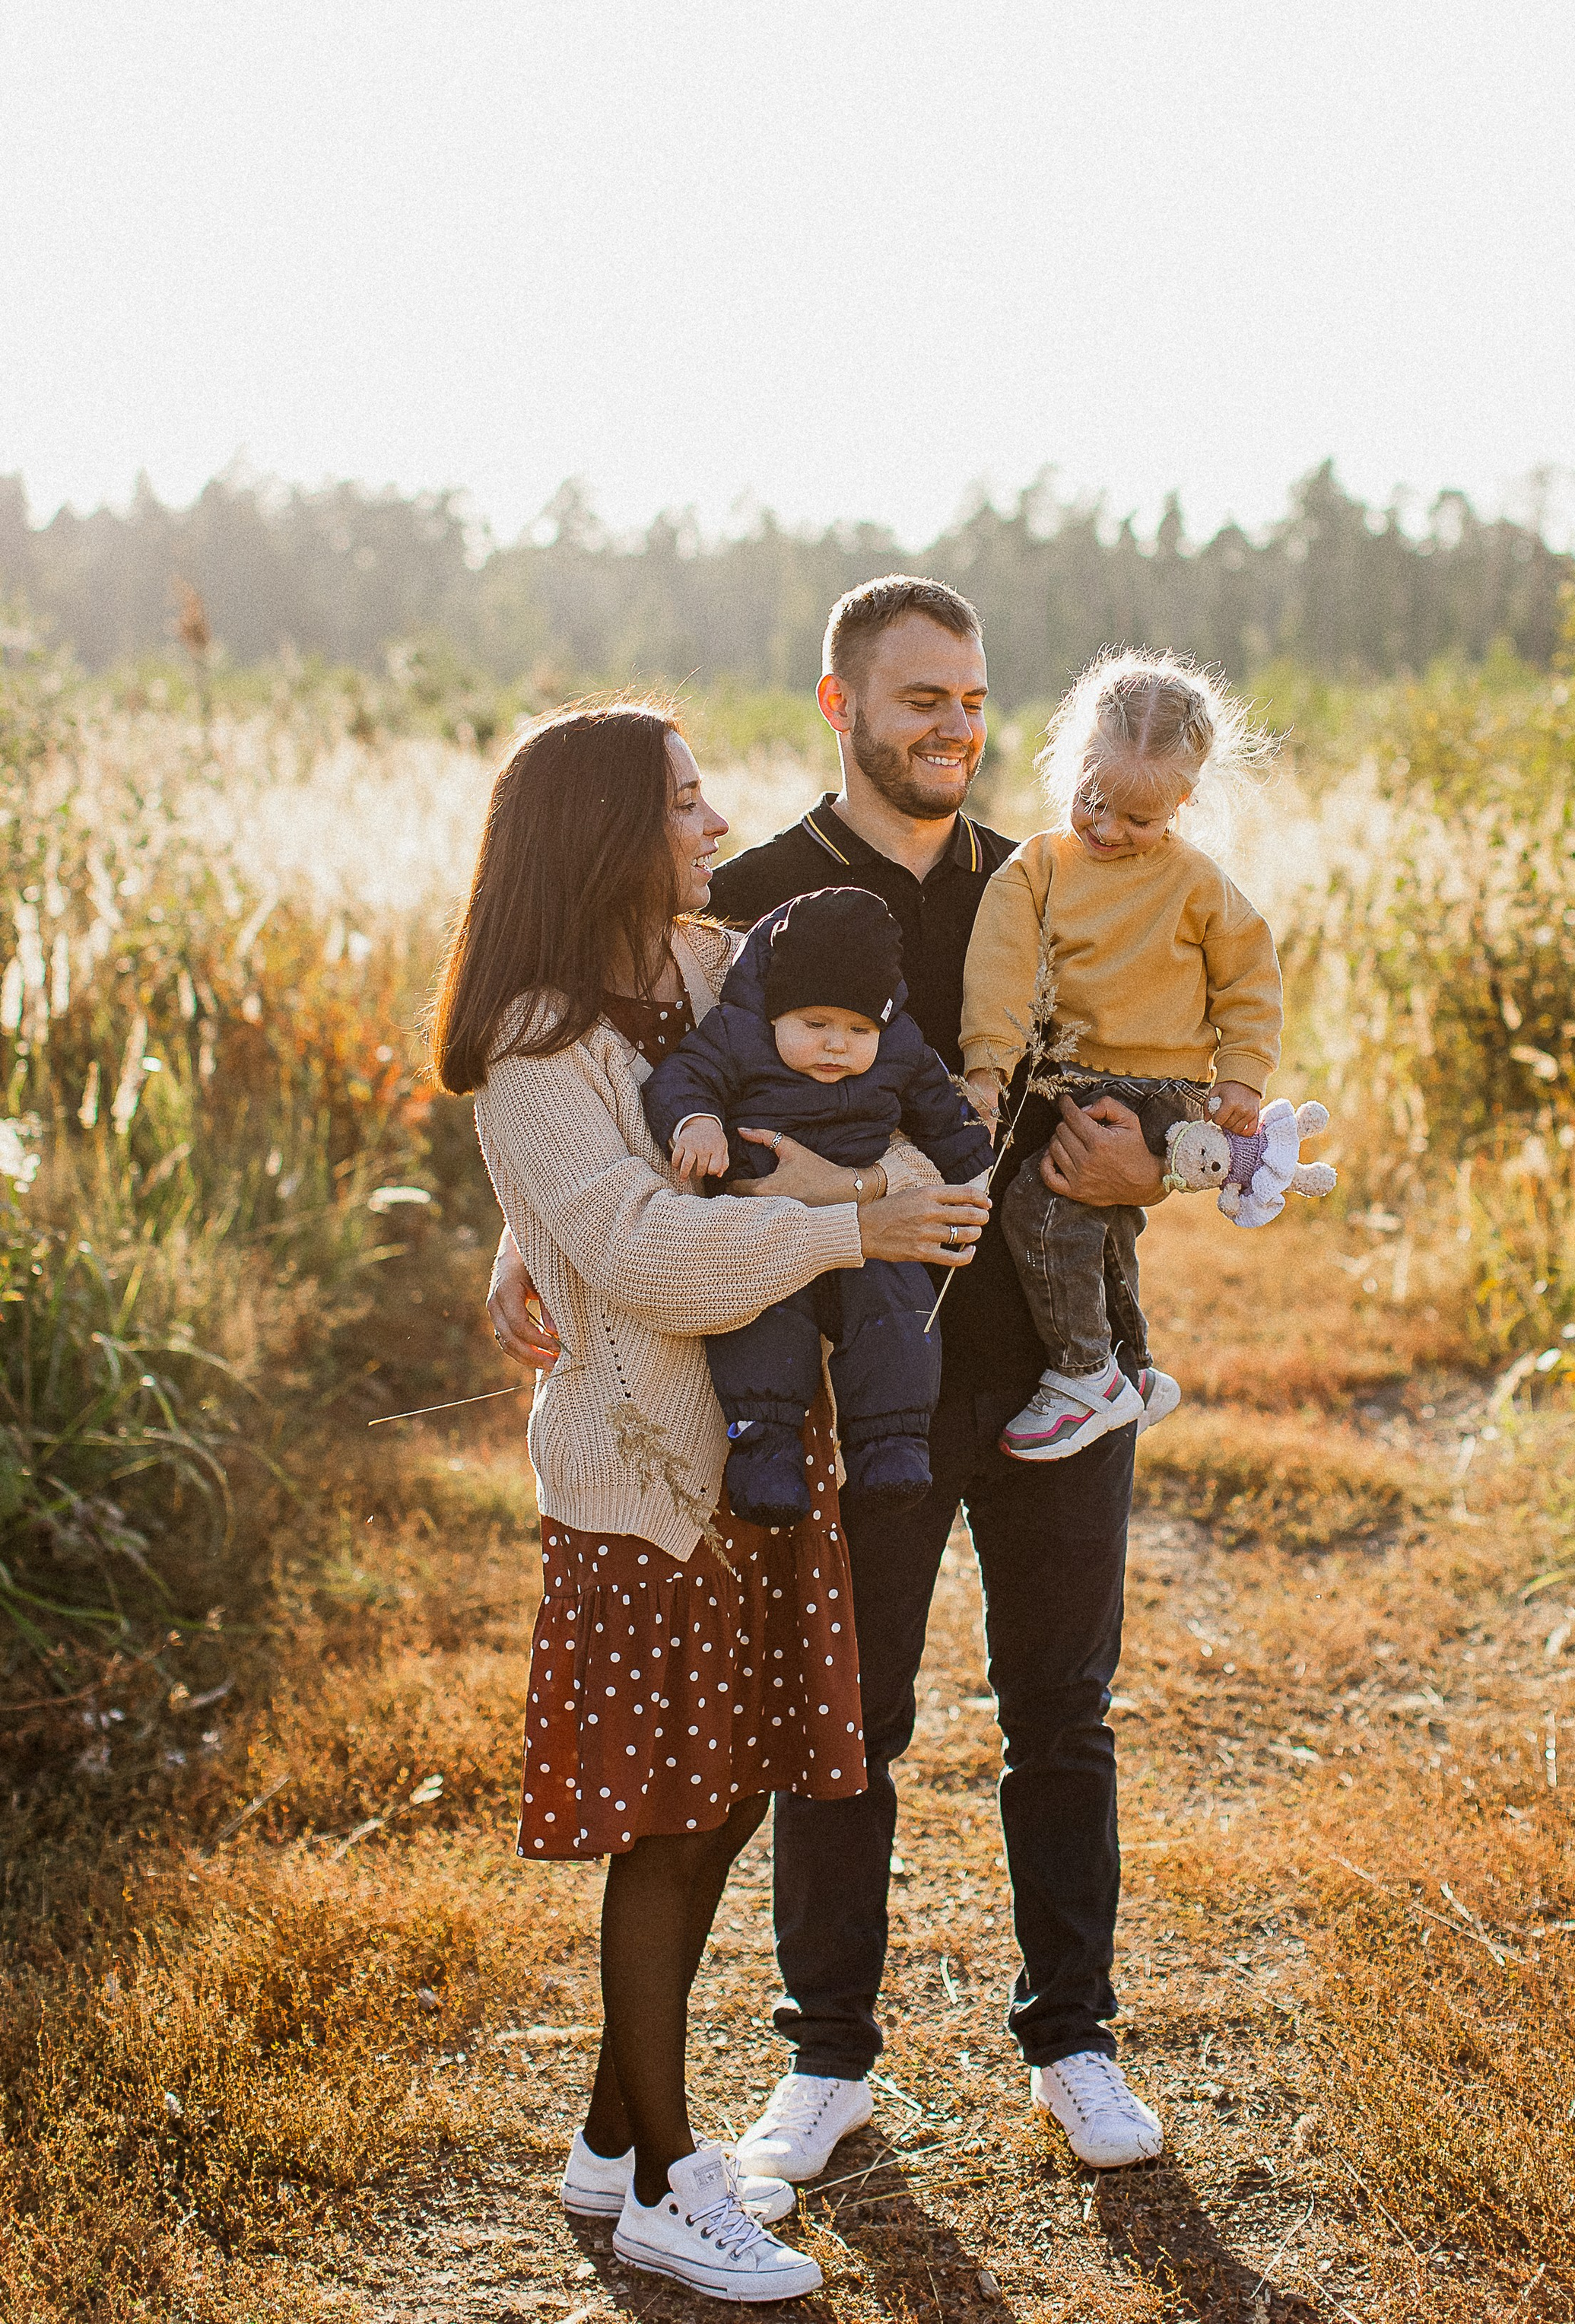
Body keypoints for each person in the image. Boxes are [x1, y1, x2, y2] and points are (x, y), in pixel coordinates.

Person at [488, 580, 1172, 2187]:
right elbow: (622, 1108)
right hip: (846, 1383)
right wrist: (521, 1243)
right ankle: (825, 2058)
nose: (950, 725)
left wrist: (1159, 1164)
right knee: (843, 1723)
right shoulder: (752, 901)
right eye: (917, 696)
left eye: (972, 697)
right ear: (839, 706)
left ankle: (1072, 2036)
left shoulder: (1052, 885)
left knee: (1060, 1711)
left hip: (1059, 1369)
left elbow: (1164, 1067)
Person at [439, 699, 989, 2300]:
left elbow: (831, 1107)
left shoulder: (704, 970)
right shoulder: (533, 1037)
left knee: (736, 1783)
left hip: (765, 1451)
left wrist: (521, 1248)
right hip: (648, 1483)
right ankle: (677, 2181)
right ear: (607, 831)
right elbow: (633, 1242)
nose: (711, 822)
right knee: (669, 1825)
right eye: (682, 802)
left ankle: (616, 2141)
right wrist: (845, 1232)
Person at [961, 651, 1282, 1463]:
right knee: (1101, 1228)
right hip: (1074, 1077)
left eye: (1139, 821)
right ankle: (1134, 1368)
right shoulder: (1036, 869)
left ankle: (1085, 1373)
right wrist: (987, 1067)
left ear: (1184, 800)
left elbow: (1247, 977)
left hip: (1164, 1089)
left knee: (1041, 1208)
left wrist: (1242, 1077)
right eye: (1093, 801)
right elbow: (997, 970)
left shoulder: (1196, 883)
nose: (1107, 830)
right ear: (1070, 763)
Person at [642, 884, 992, 1523]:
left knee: (899, 1312)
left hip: (871, 1233)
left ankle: (892, 1443)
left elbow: (947, 1120)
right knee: (762, 1324)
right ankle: (764, 1453)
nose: (837, 1045)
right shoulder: (736, 1034)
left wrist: (977, 1170)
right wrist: (696, 1121)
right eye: (815, 1025)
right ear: (776, 1010)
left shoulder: (901, 1048)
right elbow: (682, 1077)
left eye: (859, 1028)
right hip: (766, 1223)